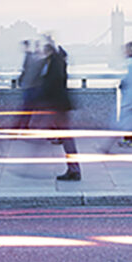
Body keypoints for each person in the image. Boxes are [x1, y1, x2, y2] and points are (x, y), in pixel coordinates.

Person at [41, 42, 82, 182]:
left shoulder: (55, 64)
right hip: (59, 105)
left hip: (58, 106)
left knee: (67, 139)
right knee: (66, 138)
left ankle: (74, 170)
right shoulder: (58, 63)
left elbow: (51, 84)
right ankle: (73, 169)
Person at [15, 40, 46, 130]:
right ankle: (22, 126)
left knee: (28, 109)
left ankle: (21, 127)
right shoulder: (36, 58)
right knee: (30, 109)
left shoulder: (32, 58)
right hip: (32, 87)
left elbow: (25, 70)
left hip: (30, 87)